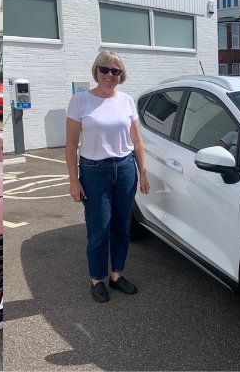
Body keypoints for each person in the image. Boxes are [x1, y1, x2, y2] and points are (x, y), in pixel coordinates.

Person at [65, 50, 149, 303]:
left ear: (121, 75)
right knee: (99, 228)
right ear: (96, 71)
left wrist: (142, 173)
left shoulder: (126, 100)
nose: (110, 75)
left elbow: (137, 140)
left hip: (125, 169)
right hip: (94, 172)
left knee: (122, 227)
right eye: (105, 69)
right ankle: (97, 278)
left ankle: (116, 274)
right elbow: (70, 145)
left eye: (116, 71)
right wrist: (73, 180)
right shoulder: (80, 101)